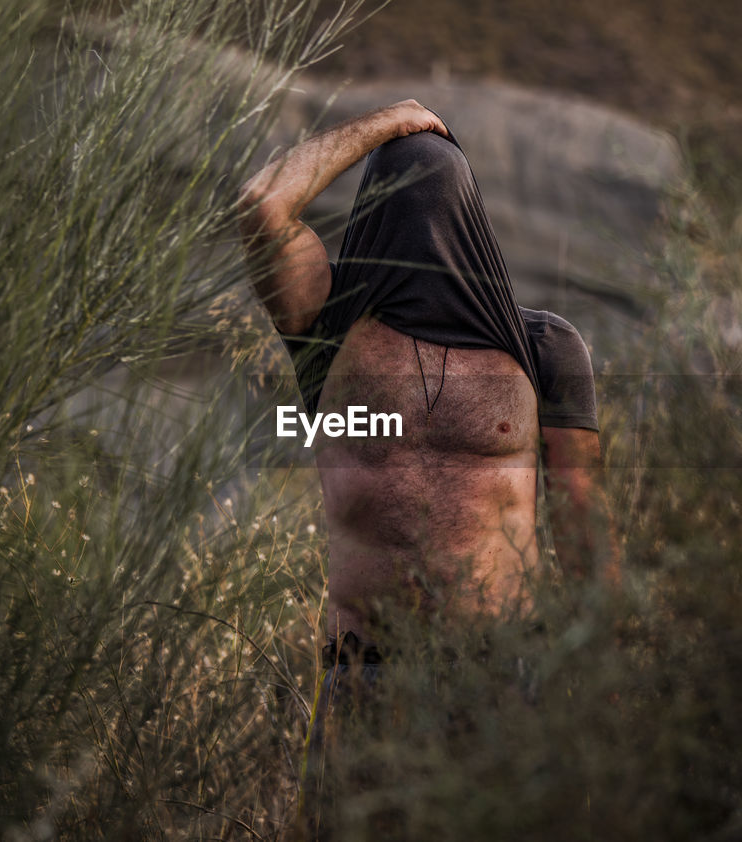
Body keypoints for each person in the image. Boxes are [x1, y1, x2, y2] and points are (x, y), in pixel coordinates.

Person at [239, 100, 617, 836]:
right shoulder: (326, 333)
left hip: (500, 677)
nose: (423, 225)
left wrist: (600, 696)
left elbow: (584, 531)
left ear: (470, 217)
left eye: (442, 199)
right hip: (365, 677)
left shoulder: (542, 349)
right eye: (399, 203)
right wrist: (389, 124)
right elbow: (261, 204)